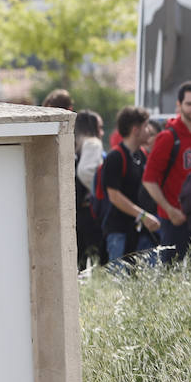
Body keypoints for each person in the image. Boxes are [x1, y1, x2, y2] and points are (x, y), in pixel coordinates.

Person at [142, 81, 191, 263]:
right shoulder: (168, 137)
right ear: (179, 105)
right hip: (175, 220)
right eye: (189, 104)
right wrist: (169, 210)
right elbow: (149, 180)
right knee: (171, 273)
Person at [99, 107, 162, 264]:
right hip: (119, 232)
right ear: (135, 130)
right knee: (119, 282)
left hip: (141, 232)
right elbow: (114, 196)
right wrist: (142, 215)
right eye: (146, 126)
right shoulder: (115, 157)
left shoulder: (142, 155)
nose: (149, 131)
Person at [74, 109, 107, 269]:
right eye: (99, 127)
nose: (102, 132)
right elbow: (85, 171)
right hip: (89, 211)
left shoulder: (77, 144)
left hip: (78, 211)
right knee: (96, 257)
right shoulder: (93, 143)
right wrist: (100, 192)